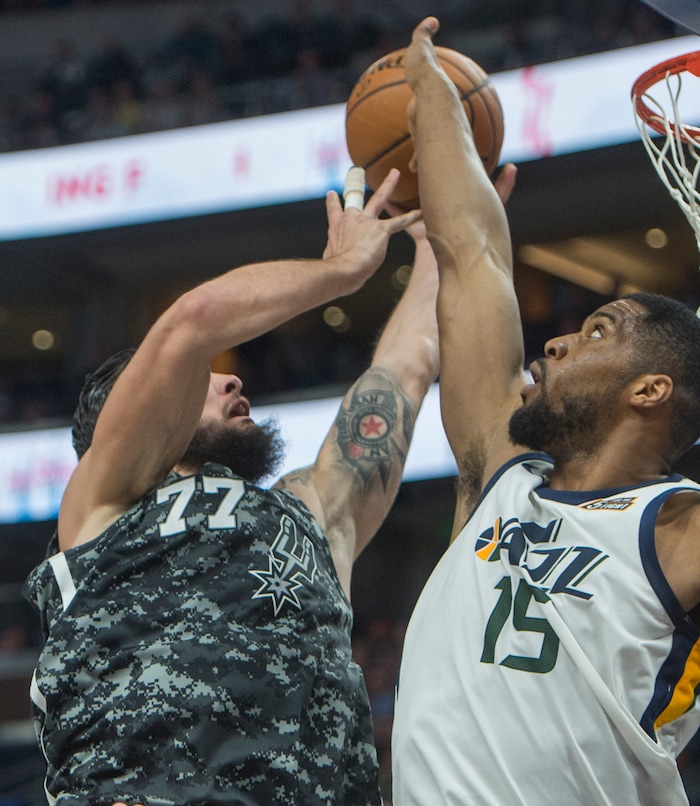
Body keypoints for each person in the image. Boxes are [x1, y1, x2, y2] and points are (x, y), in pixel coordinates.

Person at [24, 168, 439, 806]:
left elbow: (404, 368)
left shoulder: (307, 510)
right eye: (201, 378)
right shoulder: (103, 509)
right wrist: (343, 270)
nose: (230, 380)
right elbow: (194, 321)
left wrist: (444, 231)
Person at [391, 16, 700, 806]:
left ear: (651, 390)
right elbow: (473, 254)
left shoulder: (677, 527)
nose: (556, 341)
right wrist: (431, 94)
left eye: (599, 332)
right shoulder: (499, 472)